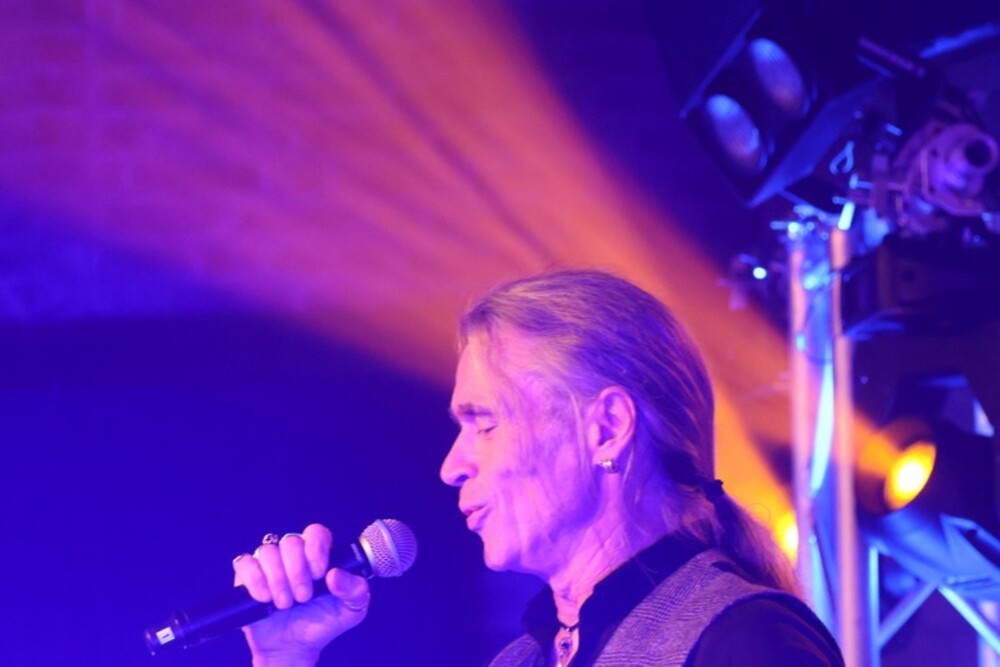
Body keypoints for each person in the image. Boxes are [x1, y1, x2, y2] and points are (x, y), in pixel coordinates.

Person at [232, 269, 844, 666]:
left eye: (484, 422)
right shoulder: (524, 658)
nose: (451, 466)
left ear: (606, 427)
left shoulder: (746, 641)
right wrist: (286, 658)